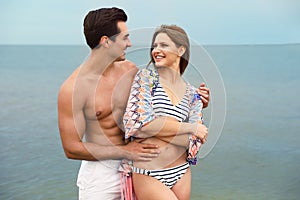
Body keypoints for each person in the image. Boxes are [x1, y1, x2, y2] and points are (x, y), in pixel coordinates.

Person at [58, 7, 210, 199]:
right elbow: (71, 148)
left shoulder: (129, 71)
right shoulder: (73, 89)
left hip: (138, 165)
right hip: (101, 175)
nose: (129, 44)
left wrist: (196, 100)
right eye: (124, 38)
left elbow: (160, 97)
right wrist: (125, 151)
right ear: (105, 41)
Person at [122, 25, 208, 200]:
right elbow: (138, 126)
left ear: (180, 49)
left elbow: (194, 143)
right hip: (149, 173)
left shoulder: (193, 93)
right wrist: (190, 128)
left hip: (181, 171)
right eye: (155, 46)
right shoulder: (146, 79)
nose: (156, 50)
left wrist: (158, 127)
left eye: (164, 45)